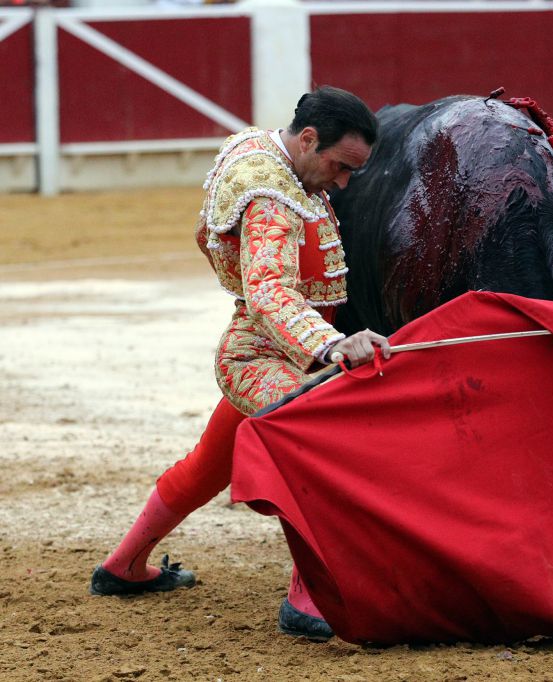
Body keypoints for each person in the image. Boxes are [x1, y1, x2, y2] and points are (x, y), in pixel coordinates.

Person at [89, 86, 391, 641]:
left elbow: (210, 240)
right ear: (307, 139)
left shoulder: (266, 150)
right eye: (339, 165)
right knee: (323, 443)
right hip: (260, 354)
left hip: (275, 349)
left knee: (208, 463)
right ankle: (307, 600)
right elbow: (271, 291)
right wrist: (329, 346)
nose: (344, 183)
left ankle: (123, 567)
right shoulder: (270, 197)